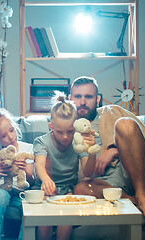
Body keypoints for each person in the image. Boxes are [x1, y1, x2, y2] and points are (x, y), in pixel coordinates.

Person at [69, 76, 145, 240]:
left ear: (98, 99)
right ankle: (132, 200)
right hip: (103, 184)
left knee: (125, 124)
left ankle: (141, 196)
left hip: (131, 170)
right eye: (78, 96)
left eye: (88, 97)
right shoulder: (67, 127)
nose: (83, 102)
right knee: (80, 189)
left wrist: (114, 150)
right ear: (70, 99)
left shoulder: (112, 111)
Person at [33, 91, 97, 240]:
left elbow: (88, 172)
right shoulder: (42, 141)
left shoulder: (78, 142)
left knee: (67, 216)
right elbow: (39, 164)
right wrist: (46, 180)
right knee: (45, 218)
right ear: (51, 127)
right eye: (59, 132)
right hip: (45, 188)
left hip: (68, 190)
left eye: (70, 131)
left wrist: (92, 151)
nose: (65, 137)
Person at [0, 108, 35, 240]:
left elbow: (32, 181)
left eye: (11, 130)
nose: (11, 137)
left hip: (20, 191)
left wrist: (26, 169)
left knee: (28, 205)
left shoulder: (28, 148)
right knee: (1, 197)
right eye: (3, 136)